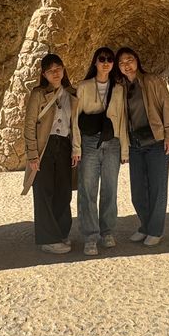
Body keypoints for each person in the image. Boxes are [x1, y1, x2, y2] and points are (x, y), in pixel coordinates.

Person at [116, 47, 169, 247]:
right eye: (122, 63)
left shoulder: (152, 81)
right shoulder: (120, 87)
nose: (126, 65)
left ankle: (155, 230)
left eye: (129, 60)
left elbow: (167, 106)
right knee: (138, 192)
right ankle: (145, 226)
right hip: (134, 144)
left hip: (155, 141)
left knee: (157, 188)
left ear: (137, 60)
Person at [71, 47, 129, 255]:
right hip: (89, 142)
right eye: (102, 59)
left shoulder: (119, 89)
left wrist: (124, 150)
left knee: (110, 189)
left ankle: (107, 231)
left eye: (109, 59)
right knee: (87, 189)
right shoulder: (84, 86)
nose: (106, 63)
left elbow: (122, 119)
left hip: (112, 142)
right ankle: (90, 236)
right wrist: (76, 147)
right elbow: (75, 119)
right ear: (95, 62)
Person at [23, 53, 77, 254]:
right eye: (50, 70)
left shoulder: (71, 93)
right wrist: (32, 155)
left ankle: (61, 233)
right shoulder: (38, 94)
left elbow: (75, 125)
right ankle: (48, 239)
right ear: (44, 74)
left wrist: (76, 148)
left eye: (58, 69)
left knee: (63, 191)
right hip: (44, 147)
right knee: (44, 192)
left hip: (64, 146)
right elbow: (29, 125)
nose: (55, 73)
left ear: (63, 70)